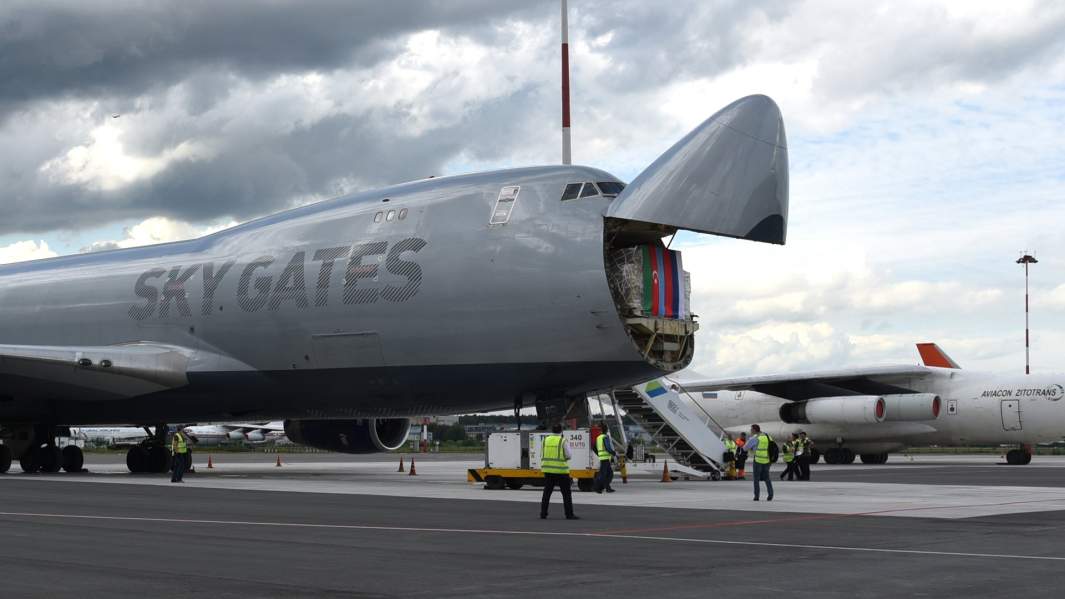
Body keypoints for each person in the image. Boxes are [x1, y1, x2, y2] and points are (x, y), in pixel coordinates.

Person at [540, 424, 579, 520]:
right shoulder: (562, 441)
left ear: (552, 430)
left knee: (547, 492)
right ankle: (569, 514)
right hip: (561, 470)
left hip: (548, 470)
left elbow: (541, 453)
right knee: (566, 493)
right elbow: (569, 455)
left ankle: (543, 513)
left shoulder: (545, 440)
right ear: (561, 431)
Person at [748, 424, 774, 501]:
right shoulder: (768, 436)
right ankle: (770, 494)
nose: (750, 430)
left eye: (751, 429)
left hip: (758, 461)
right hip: (767, 461)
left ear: (755, 430)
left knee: (756, 479)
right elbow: (772, 446)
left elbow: (745, 447)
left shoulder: (755, 438)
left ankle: (757, 496)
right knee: (767, 478)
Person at [594, 429, 617, 493]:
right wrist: (613, 452)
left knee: (608, 474)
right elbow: (607, 447)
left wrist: (599, 454)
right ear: (606, 431)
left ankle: (607, 488)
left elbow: (594, 447)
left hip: (602, 458)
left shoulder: (598, 438)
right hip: (605, 458)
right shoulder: (605, 437)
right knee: (604, 474)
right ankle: (597, 487)